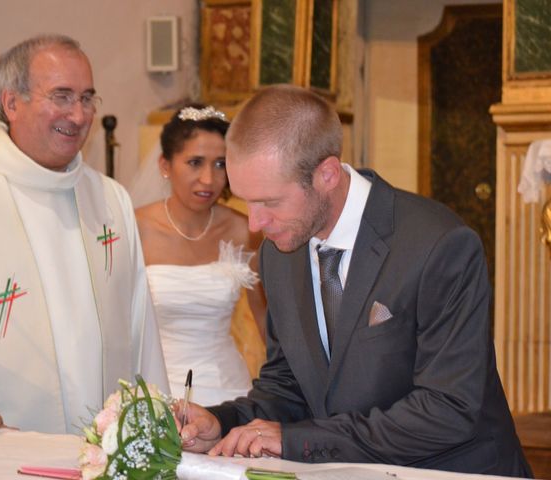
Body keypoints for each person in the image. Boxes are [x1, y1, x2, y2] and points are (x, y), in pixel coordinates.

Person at [179, 85, 532, 477]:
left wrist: (300, 440)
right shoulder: (279, 253)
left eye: (270, 202)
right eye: (245, 200)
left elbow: (447, 410)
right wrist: (224, 423)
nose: (256, 223)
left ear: (327, 174)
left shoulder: (438, 245)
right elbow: (288, 385)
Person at [0, 34, 168, 437]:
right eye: (62, 96)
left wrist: (150, 423)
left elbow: (141, 329)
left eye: (87, 98)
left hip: (105, 447)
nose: (80, 115)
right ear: (11, 102)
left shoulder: (110, 200)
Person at [135, 104, 266, 406]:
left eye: (220, 164)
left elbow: (267, 324)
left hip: (226, 388)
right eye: (195, 162)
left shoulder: (246, 230)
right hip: (155, 388)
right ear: (165, 165)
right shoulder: (135, 228)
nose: (208, 179)